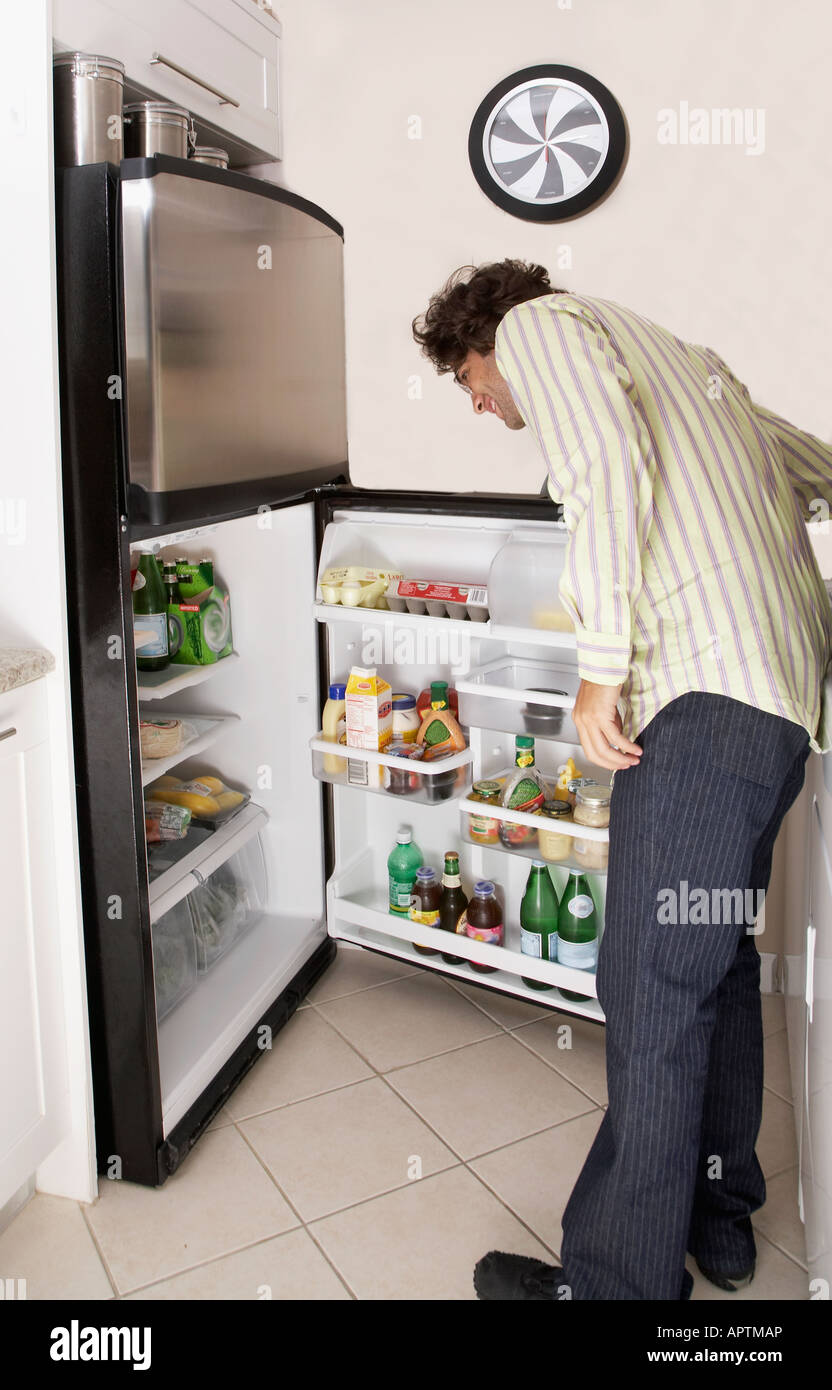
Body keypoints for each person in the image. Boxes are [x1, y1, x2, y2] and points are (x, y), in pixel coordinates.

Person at [412, 261, 832, 1301]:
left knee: (649, 989)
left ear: (487, 338)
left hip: (701, 702)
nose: (478, 401)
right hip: (781, 705)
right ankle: (719, 1218)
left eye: (467, 379)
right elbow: (816, 465)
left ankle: (614, 1292)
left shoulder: (546, 327)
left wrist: (602, 669)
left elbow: (604, 468)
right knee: (715, 962)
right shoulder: (694, 370)